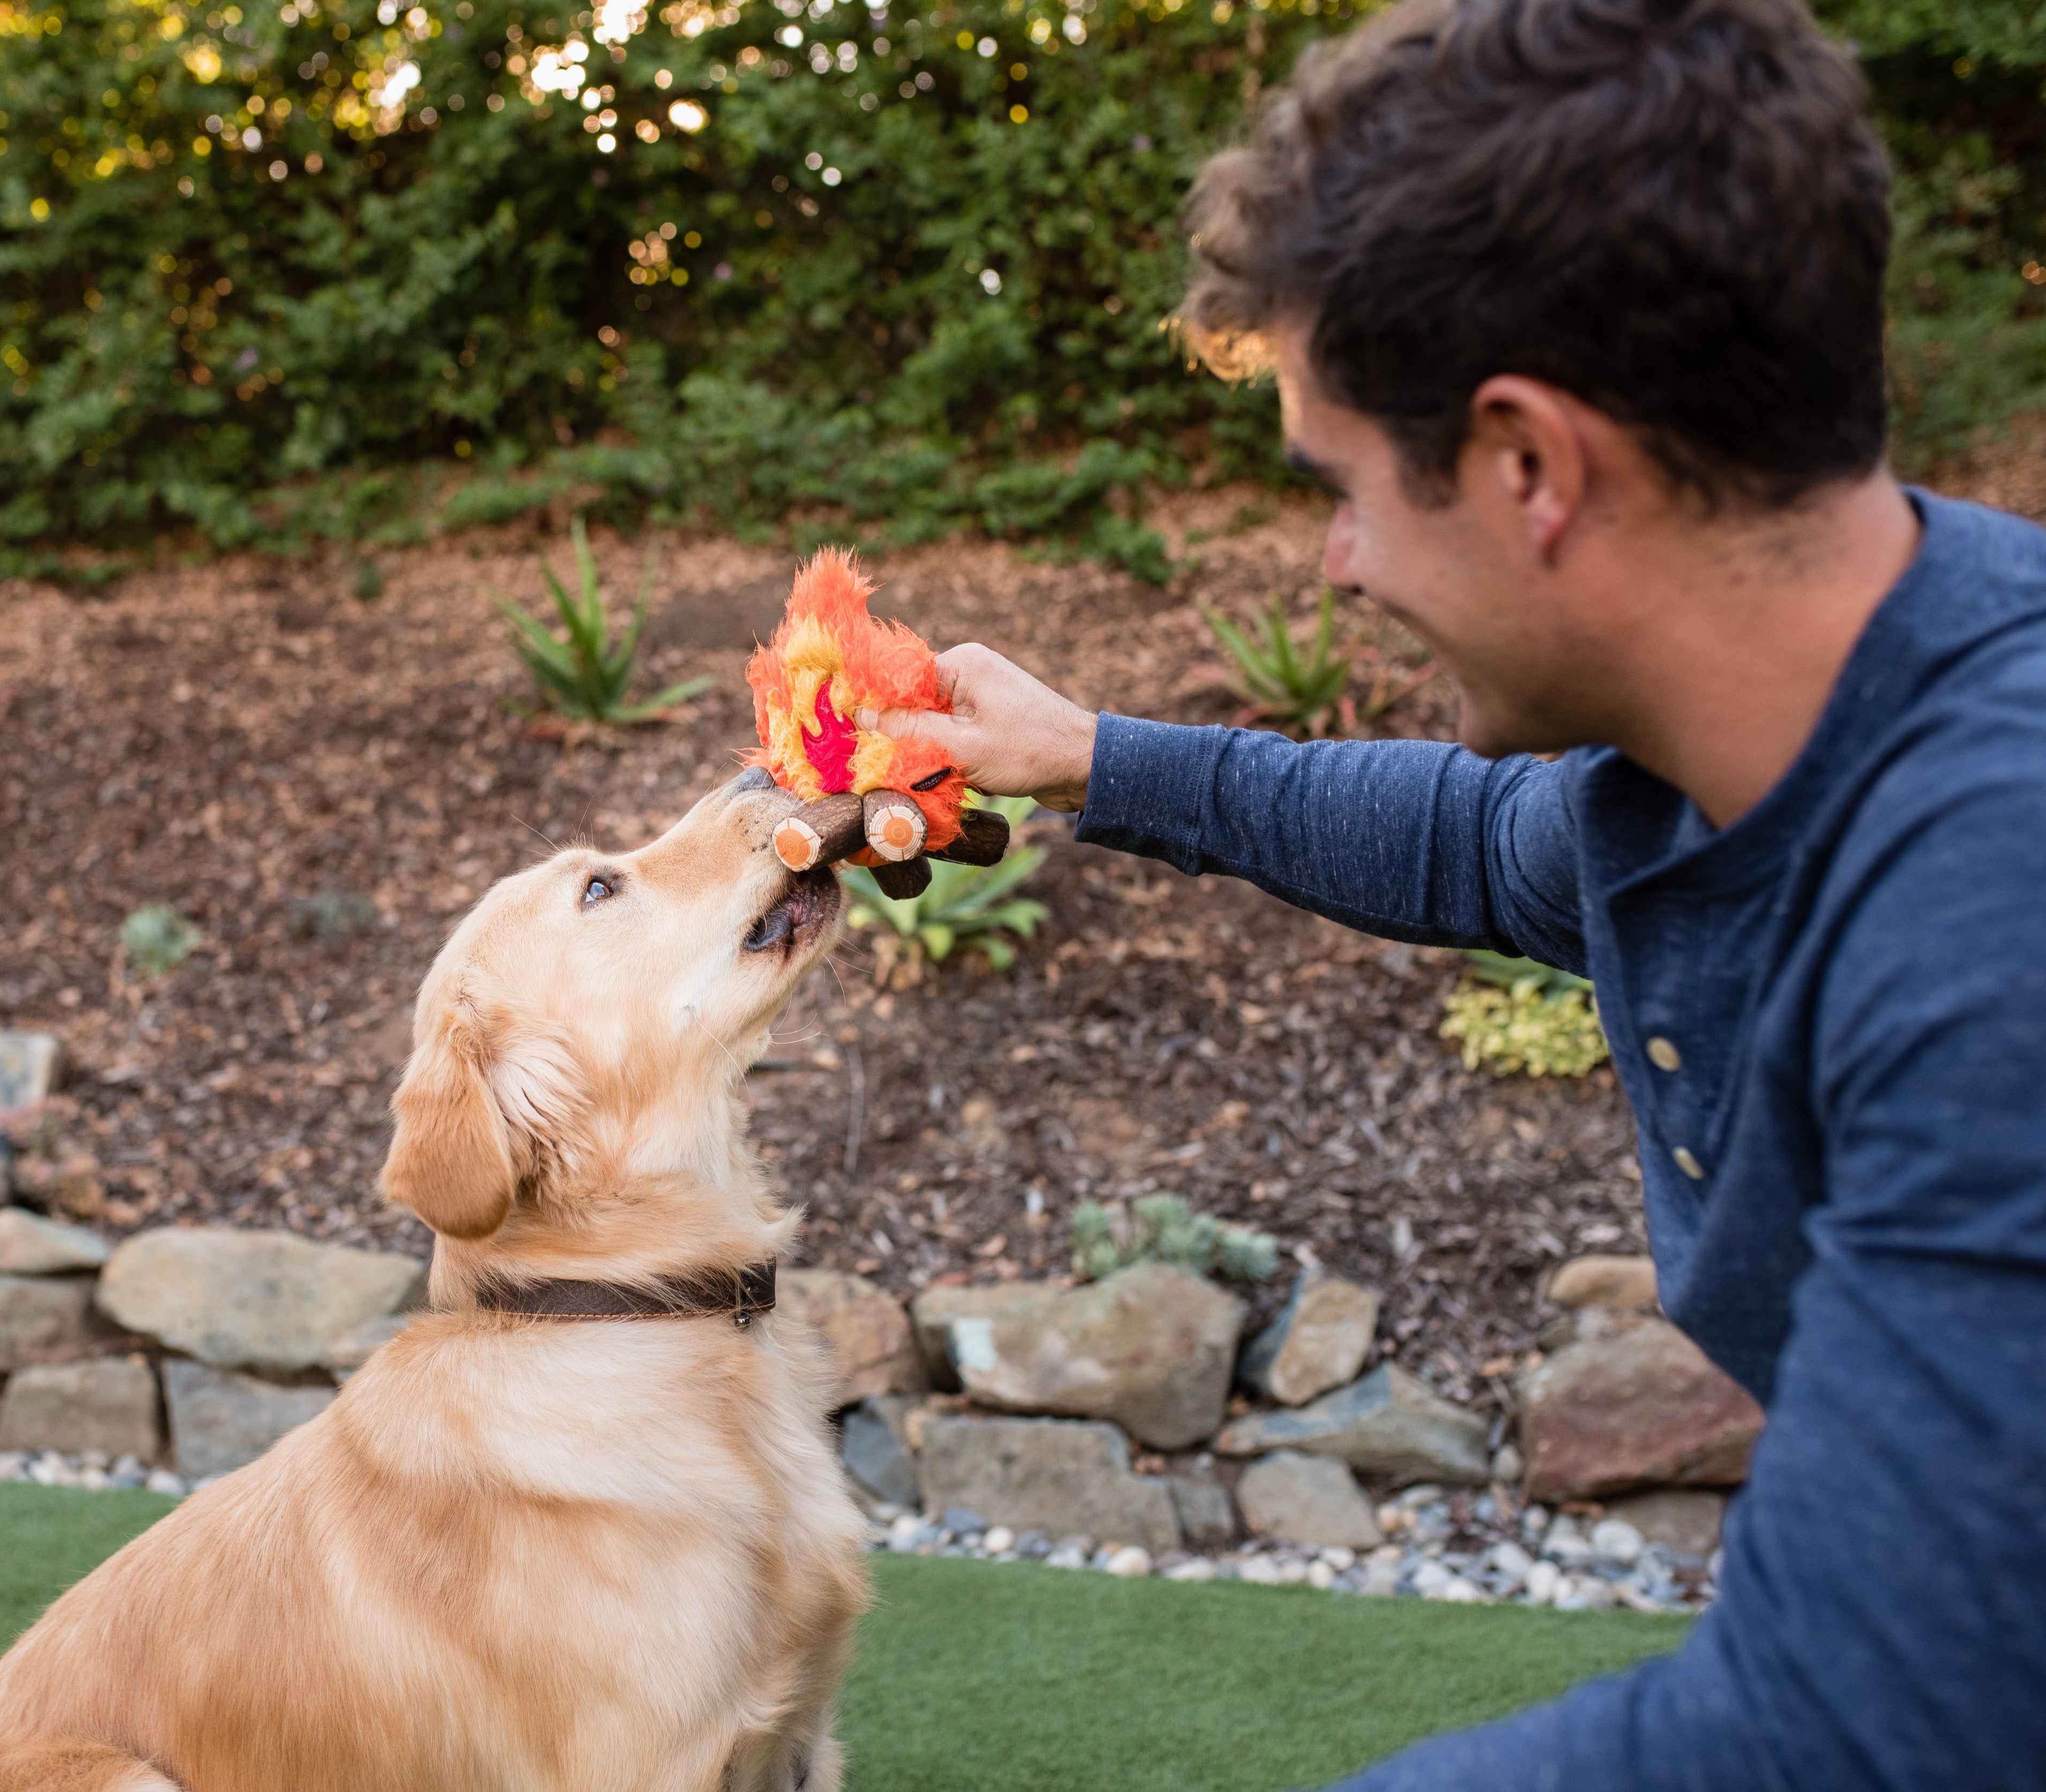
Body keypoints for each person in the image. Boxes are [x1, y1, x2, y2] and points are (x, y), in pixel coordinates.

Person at [870, 0, 2046, 1784]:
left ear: (1530, 466)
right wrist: (1091, 755)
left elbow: (1850, 1731)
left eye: (1341, 490)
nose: (1338, 565)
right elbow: (1462, 843)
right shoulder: (1736, 762)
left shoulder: (1990, 896)